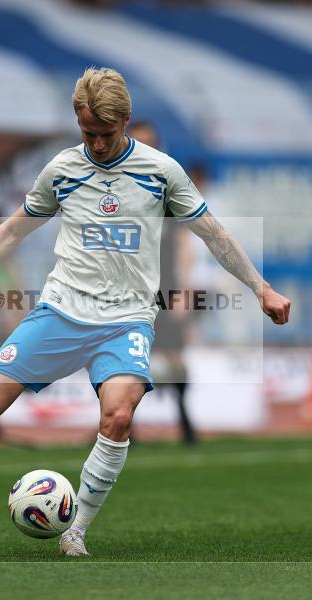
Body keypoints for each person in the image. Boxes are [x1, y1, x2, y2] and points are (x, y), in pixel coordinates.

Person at [0, 67, 291, 556]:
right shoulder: (63, 170)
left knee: (117, 415)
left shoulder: (161, 172)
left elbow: (213, 234)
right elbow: (11, 232)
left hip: (127, 320)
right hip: (62, 311)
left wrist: (261, 289)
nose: (96, 144)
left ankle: (76, 532)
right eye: (87, 134)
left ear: (126, 122)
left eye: (106, 135)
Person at [128, 119, 197, 444]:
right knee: (127, 357)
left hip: (165, 284)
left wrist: (183, 286)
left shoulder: (168, 184)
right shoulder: (117, 186)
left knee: (174, 355)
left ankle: (184, 420)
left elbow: (183, 238)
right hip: (129, 287)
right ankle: (126, 425)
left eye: (149, 143)